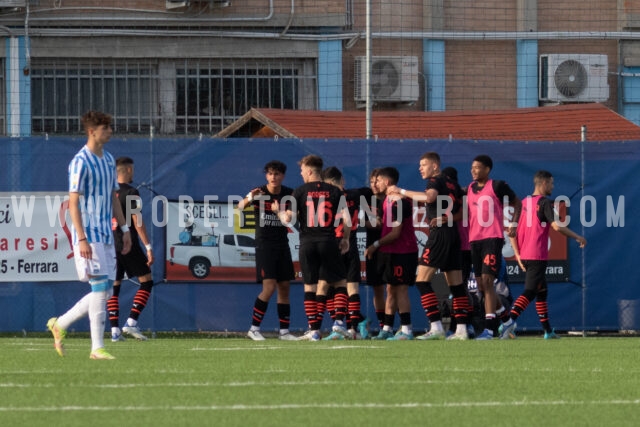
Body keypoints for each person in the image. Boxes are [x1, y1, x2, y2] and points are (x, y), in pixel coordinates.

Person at [47, 110, 132, 360]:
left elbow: (114, 198)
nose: (110, 131)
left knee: (105, 291)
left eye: (110, 127)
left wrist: (125, 229)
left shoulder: (108, 160)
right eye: (105, 128)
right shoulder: (80, 161)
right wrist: (81, 238)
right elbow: (73, 203)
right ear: (92, 131)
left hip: (107, 232)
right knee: (99, 288)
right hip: (89, 233)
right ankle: (97, 348)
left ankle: (60, 324)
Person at [390, 152, 470, 340]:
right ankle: (462, 330)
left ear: (435, 166)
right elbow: (463, 212)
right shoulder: (453, 184)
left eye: (423, 164)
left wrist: (400, 191)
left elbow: (429, 197)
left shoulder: (435, 181)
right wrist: (448, 218)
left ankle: (436, 327)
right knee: (457, 285)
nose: (420, 168)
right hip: (453, 235)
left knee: (421, 281)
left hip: (440, 235)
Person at [499, 170, 587, 339]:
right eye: (552, 183)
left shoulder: (523, 203)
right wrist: (577, 236)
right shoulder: (545, 203)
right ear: (544, 183)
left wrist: (517, 256)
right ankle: (508, 322)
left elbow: (512, 233)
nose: (553, 186)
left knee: (541, 292)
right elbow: (557, 227)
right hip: (536, 255)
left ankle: (547, 331)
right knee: (530, 291)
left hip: (525, 255)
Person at [274, 155, 351, 341]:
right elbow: (347, 220)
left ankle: (315, 330)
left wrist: (278, 211)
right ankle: (339, 322)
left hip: (307, 243)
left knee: (310, 286)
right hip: (328, 241)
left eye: (302, 171)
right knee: (340, 282)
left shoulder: (299, 192)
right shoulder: (335, 191)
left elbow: (289, 220)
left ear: (309, 171)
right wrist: (346, 239)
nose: (301, 174)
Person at [238, 160, 298, 341]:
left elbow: (290, 219)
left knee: (285, 287)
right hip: (265, 245)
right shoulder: (259, 191)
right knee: (269, 286)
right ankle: (254, 329)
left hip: (282, 244)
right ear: (266, 175)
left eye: (277, 174)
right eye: (270, 174)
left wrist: (279, 210)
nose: (274, 177)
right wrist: (250, 198)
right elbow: (240, 207)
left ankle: (284, 332)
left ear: (283, 176)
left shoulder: (289, 194)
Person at [466, 154, 521, 340]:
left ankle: (489, 330)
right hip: (474, 240)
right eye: (472, 167)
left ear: (487, 170)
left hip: (492, 238)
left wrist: (513, 224)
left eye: (477, 167)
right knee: (482, 286)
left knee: (489, 282)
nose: (473, 170)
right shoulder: (470, 189)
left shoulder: (497, 186)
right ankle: (506, 321)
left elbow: (517, 202)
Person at [365, 167, 419, 340]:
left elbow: (396, 233)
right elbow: (385, 226)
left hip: (403, 252)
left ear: (387, 182)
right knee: (390, 289)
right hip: (389, 252)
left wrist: (375, 244)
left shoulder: (399, 202)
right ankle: (387, 328)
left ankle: (406, 330)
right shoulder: (386, 200)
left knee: (401, 289)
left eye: (378, 180)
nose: (375, 184)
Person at [107, 157, 154, 342]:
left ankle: (114, 331)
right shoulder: (132, 192)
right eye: (132, 170)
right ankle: (131, 323)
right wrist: (148, 247)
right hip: (129, 244)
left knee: (114, 287)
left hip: (110, 245)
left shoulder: (108, 192)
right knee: (147, 281)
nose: (133, 173)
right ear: (126, 170)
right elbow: (137, 221)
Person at [320, 166, 370, 340]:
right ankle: (353, 328)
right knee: (350, 288)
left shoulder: (329, 198)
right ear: (342, 180)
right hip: (350, 245)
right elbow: (369, 196)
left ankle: (341, 328)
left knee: (330, 288)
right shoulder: (357, 194)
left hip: (339, 244)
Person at [364, 168, 387, 333]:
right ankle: (382, 326)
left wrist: (383, 223)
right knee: (378, 288)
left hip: (392, 248)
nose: (374, 185)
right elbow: (362, 222)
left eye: (377, 181)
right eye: (372, 181)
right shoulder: (366, 200)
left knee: (394, 288)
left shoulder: (393, 200)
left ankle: (398, 327)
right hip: (372, 248)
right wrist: (371, 223)